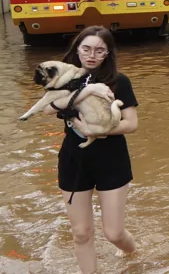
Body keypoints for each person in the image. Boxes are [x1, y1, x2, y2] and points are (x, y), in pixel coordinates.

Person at [42, 26, 138, 273]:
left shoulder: (119, 81)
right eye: (86, 48)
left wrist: (97, 131)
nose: (91, 55)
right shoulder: (63, 79)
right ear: (77, 49)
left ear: (108, 53)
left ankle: (134, 254)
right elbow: (47, 109)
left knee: (114, 233)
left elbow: (131, 123)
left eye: (99, 50)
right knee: (81, 233)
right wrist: (86, 90)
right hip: (74, 159)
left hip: (112, 159)